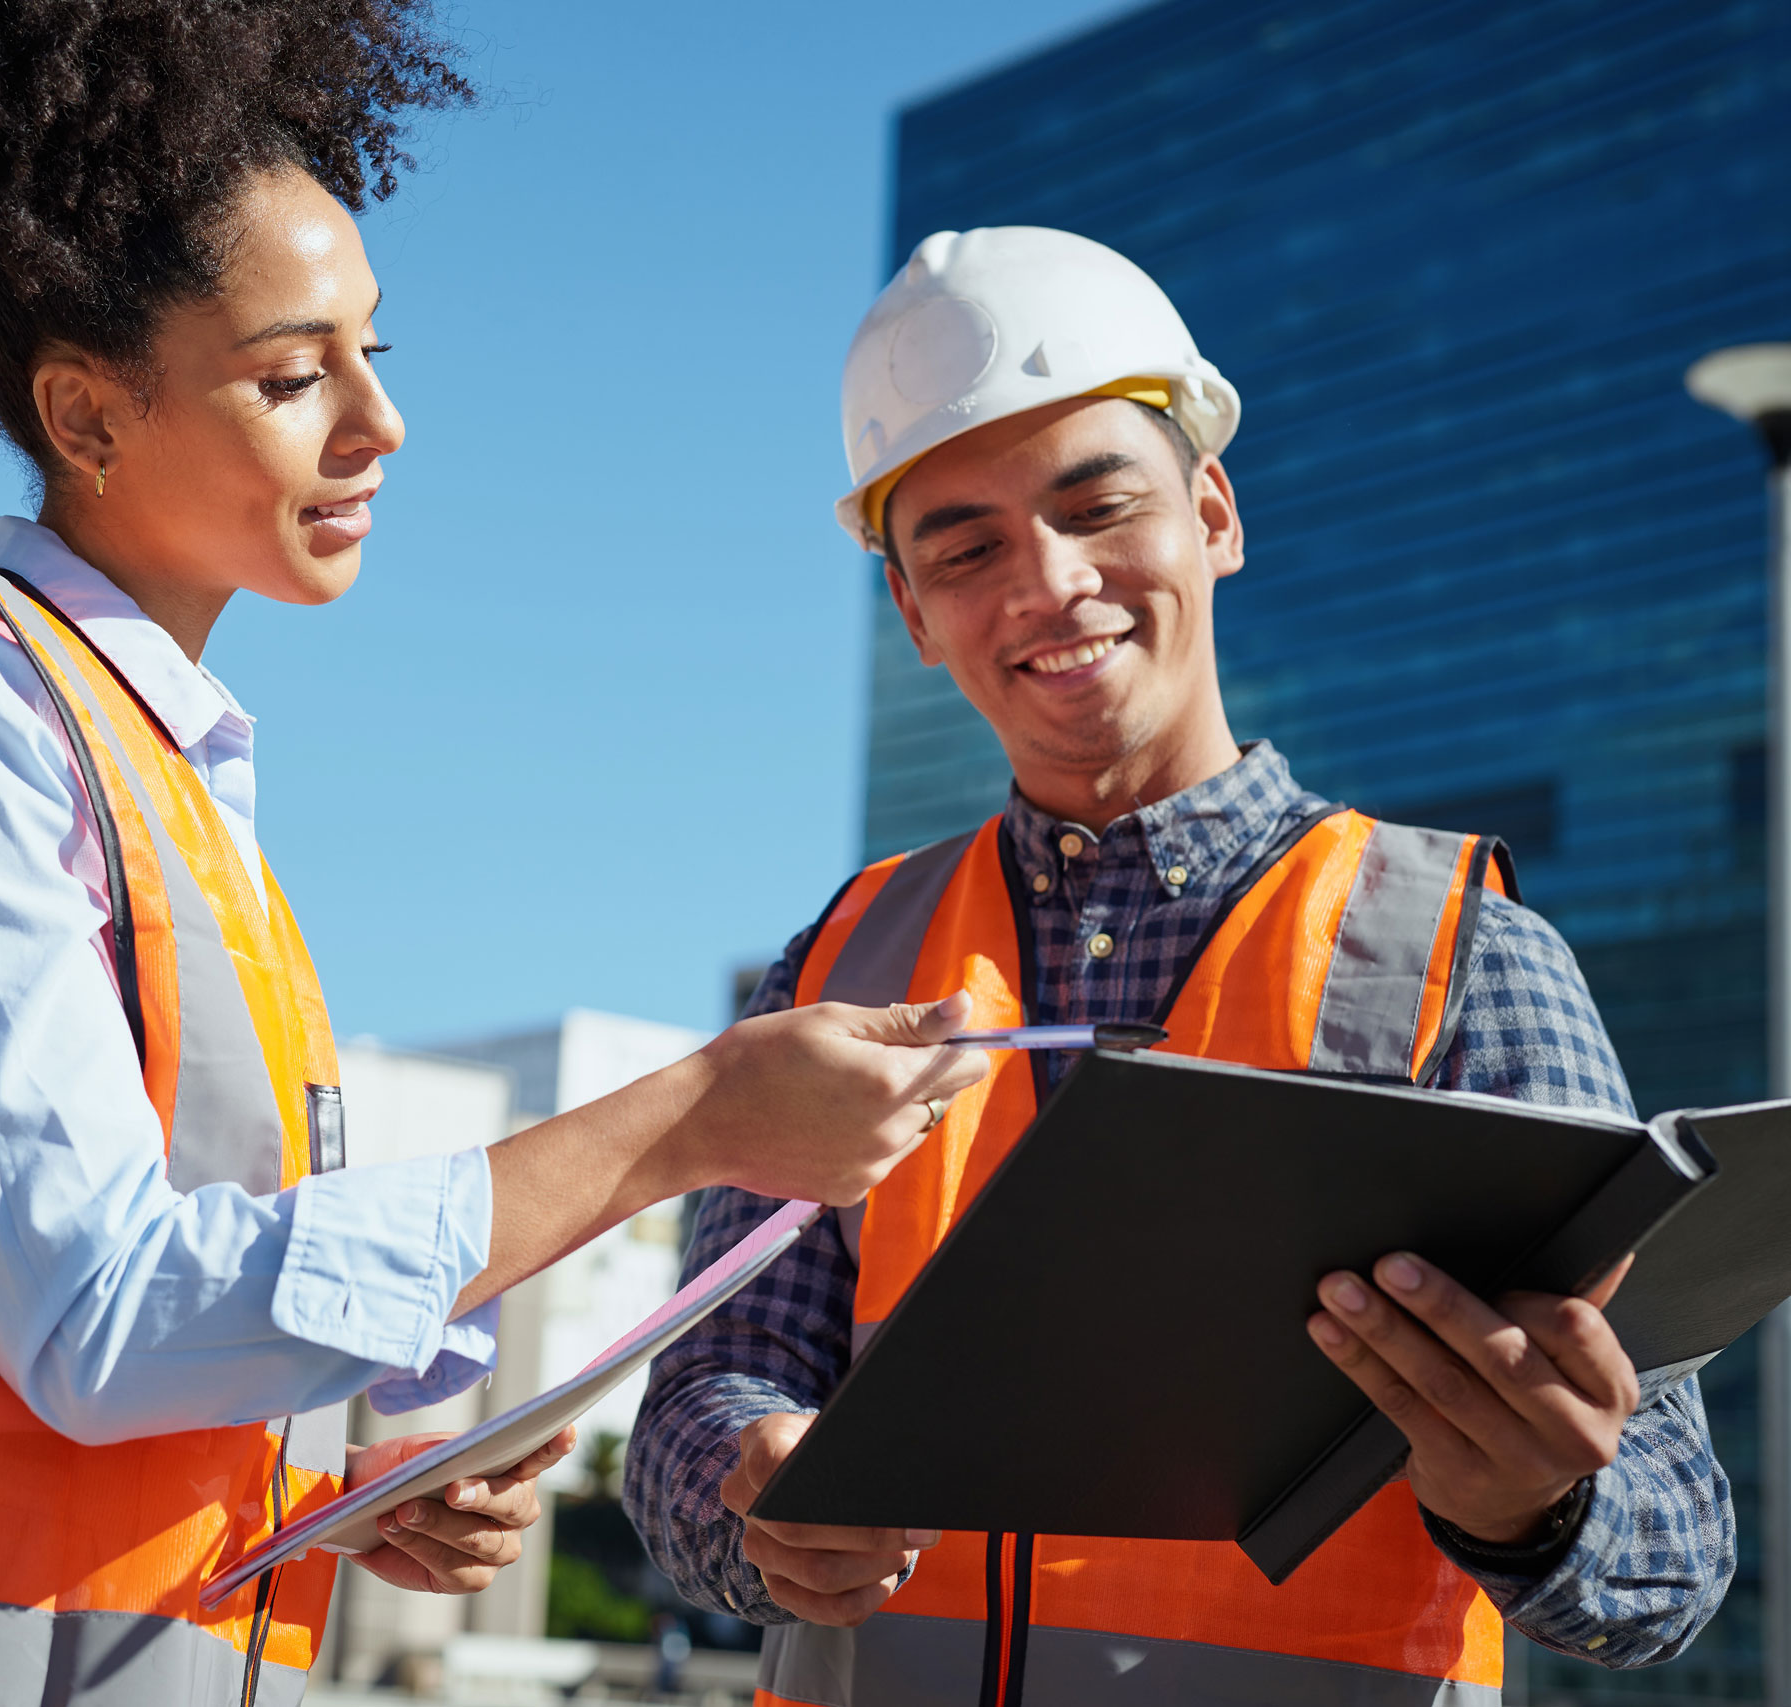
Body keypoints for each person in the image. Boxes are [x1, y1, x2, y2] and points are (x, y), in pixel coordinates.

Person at [0, 7, 988, 1707]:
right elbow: (97, 1317)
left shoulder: (158, 767)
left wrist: (322, 1494)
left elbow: (89, 1348)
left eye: (377, 352)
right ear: (83, 413)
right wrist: (689, 1122)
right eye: (294, 375)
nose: (378, 423)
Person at [624, 226, 1737, 1707]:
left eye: (1101, 507)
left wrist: (1540, 1505)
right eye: (967, 549)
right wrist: (743, 1493)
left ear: (1212, 511)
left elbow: (1673, 1550)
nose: (1049, 583)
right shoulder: (839, 965)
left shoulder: (1459, 953)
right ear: (912, 611)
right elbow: (703, 1394)